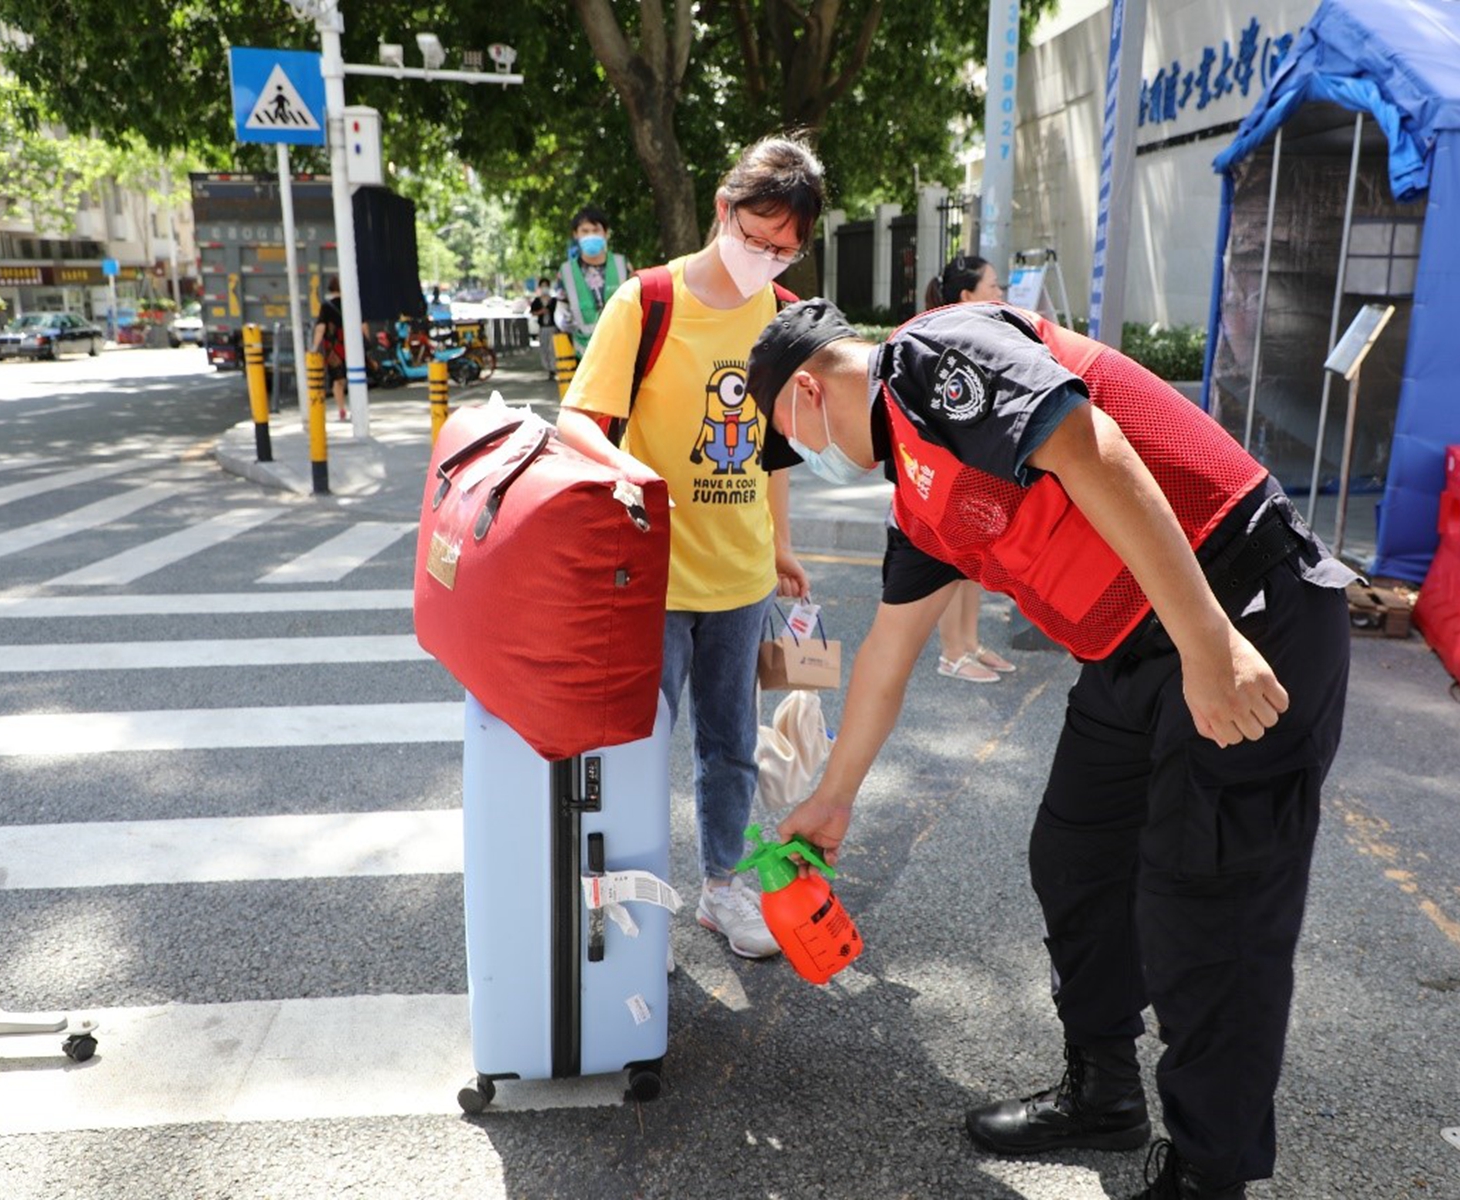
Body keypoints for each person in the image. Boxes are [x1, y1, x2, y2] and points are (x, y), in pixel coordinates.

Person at [745, 298, 1356, 1198]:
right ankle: (1105, 1090)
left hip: (1236, 606)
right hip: (1132, 649)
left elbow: (1090, 446)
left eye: (793, 439)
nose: (808, 454)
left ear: (807, 389)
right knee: (1076, 858)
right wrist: (835, 796)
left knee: (1208, 913)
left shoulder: (929, 359)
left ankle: (1207, 1175)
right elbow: (886, 650)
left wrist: (1209, 643)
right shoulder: (916, 496)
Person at [552, 136, 825, 961]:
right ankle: (637, 906)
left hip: (740, 579)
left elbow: (774, 450)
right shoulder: (647, 301)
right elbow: (577, 424)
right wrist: (635, 479)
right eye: (757, 235)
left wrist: (781, 545)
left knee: (730, 746)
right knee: (636, 751)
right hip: (651, 578)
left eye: (786, 248)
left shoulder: (781, 315)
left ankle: (723, 889)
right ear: (724, 208)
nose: (767, 258)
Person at [922, 255, 1016, 685]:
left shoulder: (979, 333)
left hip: (978, 464)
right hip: (951, 468)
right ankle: (952, 652)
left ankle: (971, 643)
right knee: (953, 561)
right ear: (967, 295)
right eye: (993, 286)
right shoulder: (943, 337)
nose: (1000, 294)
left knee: (975, 563)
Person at [556, 206, 630, 357]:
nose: (591, 235)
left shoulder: (623, 265)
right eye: (585, 231)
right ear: (576, 234)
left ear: (605, 233)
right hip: (584, 354)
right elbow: (561, 307)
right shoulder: (566, 272)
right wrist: (562, 320)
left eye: (596, 230)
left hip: (621, 349)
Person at [310, 276, 346, 420]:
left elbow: (320, 328)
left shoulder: (326, 306)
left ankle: (341, 409)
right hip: (350, 346)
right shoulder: (351, 303)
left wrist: (314, 347)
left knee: (337, 379)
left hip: (334, 347)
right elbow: (363, 326)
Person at [530, 277, 557, 378]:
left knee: (552, 348)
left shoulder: (554, 300)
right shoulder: (537, 301)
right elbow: (532, 312)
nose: (544, 288)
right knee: (544, 347)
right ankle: (547, 367)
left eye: (546, 286)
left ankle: (553, 368)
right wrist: (541, 312)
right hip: (542, 327)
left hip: (552, 327)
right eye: (542, 286)